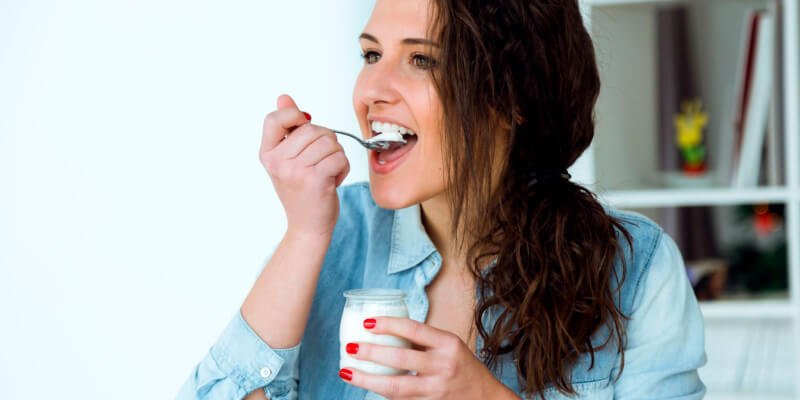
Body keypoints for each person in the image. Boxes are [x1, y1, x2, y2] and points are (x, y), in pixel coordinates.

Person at [177, 0, 706, 398]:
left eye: (422, 61)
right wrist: (306, 233)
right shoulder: (331, 234)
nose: (371, 91)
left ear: (510, 100)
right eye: (371, 54)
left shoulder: (635, 266)